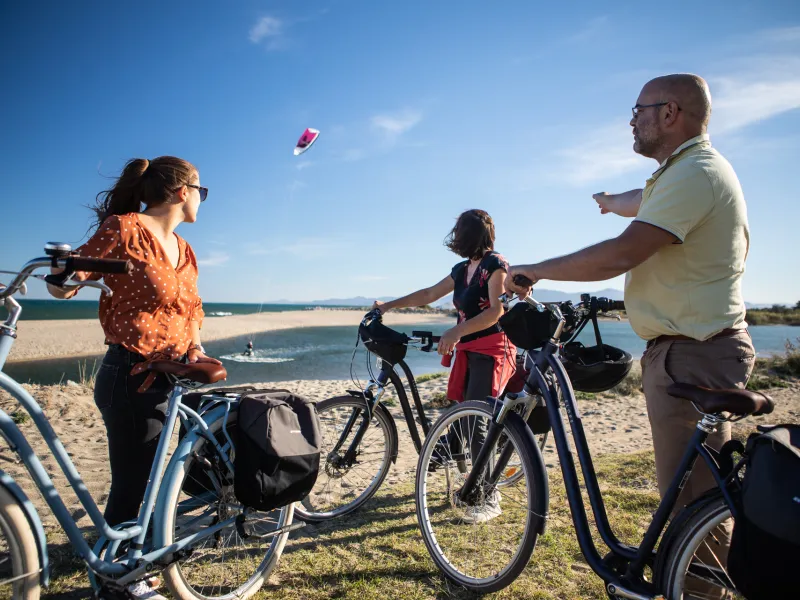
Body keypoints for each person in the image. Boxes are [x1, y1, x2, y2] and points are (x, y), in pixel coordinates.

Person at [506, 74, 751, 595]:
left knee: (693, 504)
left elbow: (621, 253)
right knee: (684, 496)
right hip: (690, 349)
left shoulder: (695, 174)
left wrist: (537, 269)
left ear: (670, 113)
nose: (631, 120)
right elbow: (641, 200)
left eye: (637, 110)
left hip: (694, 354)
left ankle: (696, 590)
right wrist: (611, 200)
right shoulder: (679, 175)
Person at [48, 156, 221, 599]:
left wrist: (196, 347)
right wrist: (61, 271)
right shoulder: (124, 228)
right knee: (135, 482)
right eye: (202, 190)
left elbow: (193, 309)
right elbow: (68, 283)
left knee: (180, 471)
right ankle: (119, 580)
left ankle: (136, 560)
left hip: (176, 375)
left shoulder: (184, 249)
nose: (204, 199)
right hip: (131, 374)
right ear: (183, 191)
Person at [373, 209, 516, 522]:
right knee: (464, 421)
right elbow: (428, 294)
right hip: (467, 348)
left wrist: (455, 331)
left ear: (469, 235)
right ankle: (469, 475)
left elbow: (496, 312)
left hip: (493, 349)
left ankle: (489, 498)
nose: (454, 239)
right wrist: (389, 306)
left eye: (459, 233)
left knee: (477, 422)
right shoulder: (462, 269)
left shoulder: (496, 265)